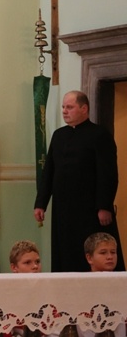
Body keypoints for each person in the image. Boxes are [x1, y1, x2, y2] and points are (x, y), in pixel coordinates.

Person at [34, 90, 125, 272]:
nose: (65, 111)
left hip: (90, 210)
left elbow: (107, 173)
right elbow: (49, 172)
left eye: (70, 107)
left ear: (84, 109)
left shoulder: (100, 135)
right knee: (65, 252)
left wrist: (104, 206)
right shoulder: (59, 135)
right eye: (63, 107)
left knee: (92, 251)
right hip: (63, 210)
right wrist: (41, 203)